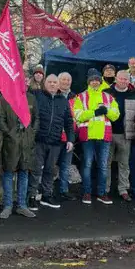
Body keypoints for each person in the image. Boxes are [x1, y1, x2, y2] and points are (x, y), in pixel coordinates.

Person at [73, 69, 120, 205]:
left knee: (103, 166)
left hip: (104, 135)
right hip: (87, 135)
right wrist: (94, 112)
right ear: (89, 81)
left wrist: (107, 111)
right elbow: (78, 115)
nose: (95, 82)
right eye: (92, 80)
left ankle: (101, 193)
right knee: (87, 164)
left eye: (97, 80)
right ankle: (86, 192)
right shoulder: (81, 97)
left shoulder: (108, 97)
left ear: (100, 82)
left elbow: (116, 114)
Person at [32, 74, 75, 210]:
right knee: (36, 169)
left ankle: (46, 195)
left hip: (56, 141)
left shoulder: (63, 100)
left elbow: (69, 121)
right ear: (45, 83)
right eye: (49, 82)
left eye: (54, 82)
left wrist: (70, 139)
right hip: (38, 140)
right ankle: (32, 196)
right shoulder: (37, 96)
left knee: (50, 170)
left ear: (58, 85)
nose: (52, 84)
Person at [0, 92, 39, 219]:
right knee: (8, 173)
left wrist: (31, 133)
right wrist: (10, 134)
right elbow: (0, 118)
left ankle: (22, 205)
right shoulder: (5, 98)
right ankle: (8, 205)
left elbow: (37, 118)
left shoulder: (31, 97)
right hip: (11, 142)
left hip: (26, 141)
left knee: (24, 172)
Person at [106, 70, 135, 201]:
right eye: (121, 78)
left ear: (129, 81)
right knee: (106, 163)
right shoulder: (106, 93)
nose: (123, 81)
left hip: (126, 134)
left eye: (126, 79)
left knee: (124, 164)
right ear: (116, 79)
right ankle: (104, 189)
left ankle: (123, 189)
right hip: (108, 133)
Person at [56, 72, 77, 201]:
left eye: (68, 80)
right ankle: (47, 190)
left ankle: (63, 190)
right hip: (55, 136)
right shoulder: (53, 94)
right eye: (63, 79)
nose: (66, 82)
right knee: (49, 165)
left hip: (69, 136)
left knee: (65, 165)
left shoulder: (75, 97)